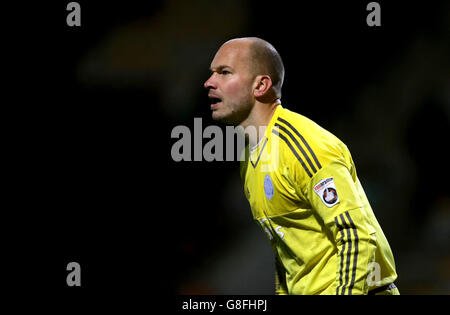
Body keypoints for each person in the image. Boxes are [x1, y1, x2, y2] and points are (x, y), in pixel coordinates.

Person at [203, 37, 399, 295]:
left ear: (260, 85)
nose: (209, 82)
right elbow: (288, 252)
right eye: (211, 74)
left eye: (224, 72)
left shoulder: (303, 145)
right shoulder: (250, 161)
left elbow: (357, 235)